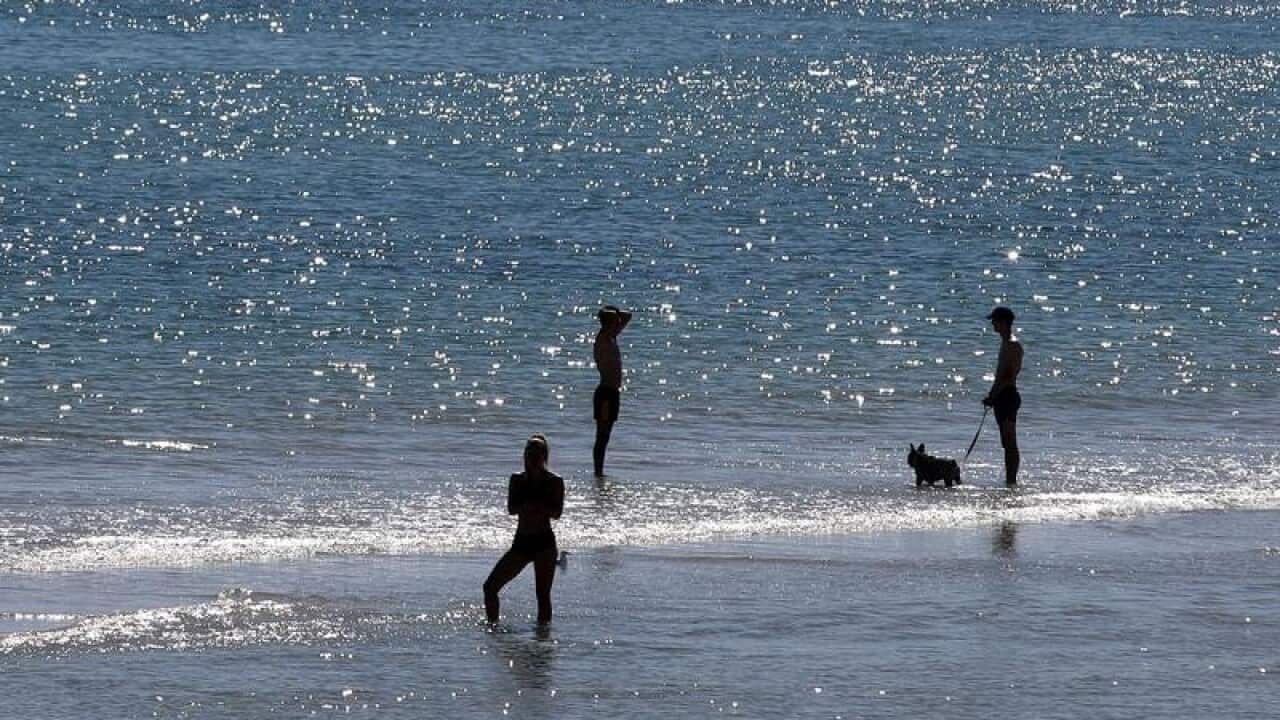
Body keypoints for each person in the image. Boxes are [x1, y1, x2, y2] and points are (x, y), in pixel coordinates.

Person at [483, 434, 565, 625]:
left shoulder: (554, 481)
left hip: (544, 543)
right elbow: (511, 509)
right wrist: (528, 504)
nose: (533, 457)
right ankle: (492, 627)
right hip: (522, 542)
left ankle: (542, 639)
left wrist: (537, 505)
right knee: (490, 587)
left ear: (544, 456)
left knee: (542, 595)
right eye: (529, 452)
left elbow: (557, 513)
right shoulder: (517, 480)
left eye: (537, 453)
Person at [983, 306, 1023, 486]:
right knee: (1006, 442)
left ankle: (1011, 481)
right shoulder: (1005, 343)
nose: (992, 323)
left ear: (1004, 322)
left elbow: (1008, 376)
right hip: (1002, 395)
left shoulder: (1013, 345)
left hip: (1007, 396)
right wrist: (992, 395)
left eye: (995, 320)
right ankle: (1010, 480)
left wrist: (994, 395)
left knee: (1009, 441)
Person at [593, 305, 632, 477]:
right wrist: (608, 314)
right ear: (607, 324)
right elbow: (624, 318)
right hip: (605, 394)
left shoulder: (612, 338)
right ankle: (598, 472)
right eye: (615, 323)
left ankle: (600, 472)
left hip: (613, 392)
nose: (619, 325)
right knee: (602, 435)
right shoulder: (602, 338)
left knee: (606, 436)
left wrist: (613, 310)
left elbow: (628, 315)